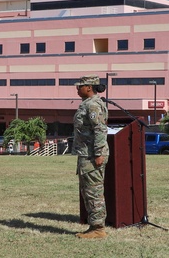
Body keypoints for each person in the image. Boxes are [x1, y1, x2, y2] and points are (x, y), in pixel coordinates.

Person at [72, 75, 109, 239]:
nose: (77, 89)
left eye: (79, 86)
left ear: (88, 87)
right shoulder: (87, 104)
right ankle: (94, 225)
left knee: (94, 191)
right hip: (86, 154)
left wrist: (99, 152)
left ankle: (98, 228)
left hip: (92, 155)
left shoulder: (93, 105)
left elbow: (100, 129)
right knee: (88, 191)